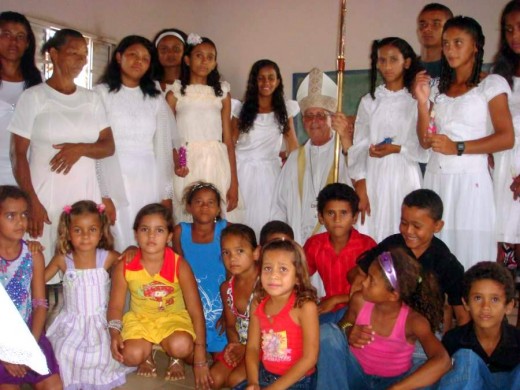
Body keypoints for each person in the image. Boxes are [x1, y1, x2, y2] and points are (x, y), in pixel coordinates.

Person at [9, 29, 115, 284]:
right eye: (73, 53)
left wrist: (79, 149)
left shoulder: (91, 99)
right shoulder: (33, 97)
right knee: (40, 274)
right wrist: (31, 201)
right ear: (53, 54)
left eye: (84, 54)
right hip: (44, 198)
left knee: (82, 274)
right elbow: (18, 154)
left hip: (83, 197)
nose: (81, 60)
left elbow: (108, 146)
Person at [415, 16, 515, 270]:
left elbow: (506, 137)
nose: (450, 49)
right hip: (438, 180)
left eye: (458, 42)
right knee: (436, 256)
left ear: (476, 46)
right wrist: (422, 103)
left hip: (471, 182)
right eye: (446, 43)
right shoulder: (440, 91)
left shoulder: (490, 84)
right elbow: (425, 141)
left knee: (470, 257)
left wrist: (457, 147)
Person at [107, 203, 212, 388]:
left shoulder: (180, 265)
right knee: (129, 355)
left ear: (170, 236)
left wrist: (201, 356)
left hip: (173, 319)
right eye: (145, 229)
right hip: (140, 319)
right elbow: (115, 306)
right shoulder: (125, 265)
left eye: (159, 230)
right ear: (135, 234)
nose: (151, 236)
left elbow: (196, 310)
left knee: (182, 346)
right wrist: (114, 332)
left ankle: (175, 358)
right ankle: (146, 354)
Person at [318, 248, 451, 389]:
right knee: (327, 332)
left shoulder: (413, 321)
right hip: (356, 375)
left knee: (426, 379)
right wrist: (349, 330)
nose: (363, 283)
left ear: (393, 295)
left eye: (371, 280)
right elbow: (343, 326)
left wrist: (395, 388)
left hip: (393, 382)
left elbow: (442, 360)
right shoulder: (359, 300)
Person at [95, 35, 174, 251]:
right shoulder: (100, 94)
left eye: (145, 58)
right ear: (119, 57)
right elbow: (95, 144)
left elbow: (165, 148)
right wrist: (104, 194)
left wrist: (166, 194)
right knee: (116, 238)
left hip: (148, 176)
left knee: (147, 235)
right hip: (113, 173)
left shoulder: (156, 98)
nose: (139, 61)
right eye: (133, 55)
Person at [348, 189, 469, 327]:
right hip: (383, 318)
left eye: (417, 226)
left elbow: (462, 315)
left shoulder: (446, 262)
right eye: (404, 223)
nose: (408, 231)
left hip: (424, 328)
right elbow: (356, 275)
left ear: (437, 226)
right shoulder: (391, 245)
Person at [44, 200, 129, 389]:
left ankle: (98, 379)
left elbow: (130, 262)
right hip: (71, 322)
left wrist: (131, 250)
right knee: (62, 350)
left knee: (104, 351)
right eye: (78, 230)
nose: (85, 236)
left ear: (101, 232)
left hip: (100, 321)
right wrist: (33, 254)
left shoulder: (107, 257)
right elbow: (39, 279)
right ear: (68, 232)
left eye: (92, 230)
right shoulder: (63, 259)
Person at [348, 37, 427, 242]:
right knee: (373, 232)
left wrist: (397, 148)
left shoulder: (415, 100)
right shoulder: (369, 101)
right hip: (375, 175)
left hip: (404, 173)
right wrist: (361, 186)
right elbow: (359, 145)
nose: (387, 66)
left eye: (393, 59)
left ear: (406, 62)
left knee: (404, 230)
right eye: (382, 60)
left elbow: (423, 147)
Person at [270, 67, 354, 245]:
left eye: (321, 115)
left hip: (334, 246)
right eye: (309, 116)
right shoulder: (294, 159)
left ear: (332, 119)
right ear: (302, 121)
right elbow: (279, 205)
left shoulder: (344, 156)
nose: (314, 121)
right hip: (299, 245)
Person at [166, 33, 241, 223]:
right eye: (199, 55)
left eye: (210, 57)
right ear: (187, 60)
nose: (204, 61)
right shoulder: (175, 94)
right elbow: (168, 137)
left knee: (217, 218)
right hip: (186, 163)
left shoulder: (222, 94)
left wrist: (234, 184)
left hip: (216, 160)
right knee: (189, 216)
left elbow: (228, 141)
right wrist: (177, 161)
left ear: (215, 62)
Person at [0, 185, 62, 388]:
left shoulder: (33, 254)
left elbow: (40, 304)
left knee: (54, 386)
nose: (20, 221)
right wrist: (6, 355)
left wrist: (29, 347)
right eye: (11, 216)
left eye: (24, 214)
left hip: (29, 332)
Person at [232, 59, 299, 239]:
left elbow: (293, 146)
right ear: (254, 81)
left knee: (270, 223)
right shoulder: (240, 109)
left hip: (270, 174)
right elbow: (229, 144)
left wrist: (299, 174)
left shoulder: (284, 110)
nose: (266, 83)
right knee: (242, 225)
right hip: (242, 171)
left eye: (271, 78)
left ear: (278, 81)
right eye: (261, 78)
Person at [245, 239, 319, 389]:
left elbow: (310, 358)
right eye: (267, 268)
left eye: (283, 269)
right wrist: (253, 382)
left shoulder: (304, 307)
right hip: (265, 374)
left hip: (298, 381)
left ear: (297, 277)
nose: (273, 275)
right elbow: (252, 347)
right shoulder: (258, 303)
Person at [437, 261, 520, 389]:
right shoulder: (454, 340)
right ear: (466, 303)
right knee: (465, 358)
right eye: (478, 298)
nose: (485, 307)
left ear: (509, 306)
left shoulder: (517, 340)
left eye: (494, 299)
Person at [304, 183, 376, 324]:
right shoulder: (315, 245)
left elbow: (377, 289)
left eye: (344, 213)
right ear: (321, 217)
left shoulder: (367, 245)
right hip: (328, 310)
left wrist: (337, 299)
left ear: (354, 217)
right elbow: (299, 275)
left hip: (361, 309)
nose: (337, 220)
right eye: (331, 213)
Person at [172, 181, 228, 358]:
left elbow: (234, 273)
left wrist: (229, 312)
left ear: (218, 208)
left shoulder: (226, 229)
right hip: (192, 305)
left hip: (221, 307)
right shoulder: (181, 231)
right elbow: (176, 269)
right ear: (188, 206)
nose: (205, 207)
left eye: (211, 202)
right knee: (189, 355)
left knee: (222, 356)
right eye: (199, 202)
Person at [210, 224, 260, 389]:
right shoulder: (226, 288)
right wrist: (235, 346)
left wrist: (247, 350)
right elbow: (231, 325)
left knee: (236, 381)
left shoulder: (266, 285)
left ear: (255, 253)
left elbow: (273, 329)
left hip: (264, 348)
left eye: (239, 251)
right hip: (240, 345)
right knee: (212, 379)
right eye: (226, 252)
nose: (232, 258)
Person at [492, 0, 520, 272]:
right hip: (501, 179)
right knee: (502, 270)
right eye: (509, 29)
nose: (514, 36)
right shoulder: (500, 77)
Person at [0, 11, 42, 185]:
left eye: (20, 36)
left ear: (27, 44)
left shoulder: (38, 83)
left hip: (27, 171)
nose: (13, 42)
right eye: (6, 34)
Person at [416, 3, 453, 79]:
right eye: (422, 24)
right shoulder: (406, 68)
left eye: (436, 24)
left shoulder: (458, 70)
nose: (426, 29)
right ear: (417, 31)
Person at [152, 28, 187, 94]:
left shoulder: (194, 85)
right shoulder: (149, 86)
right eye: (164, 49)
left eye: (176, 49)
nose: (170, 53)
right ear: (156, 53)